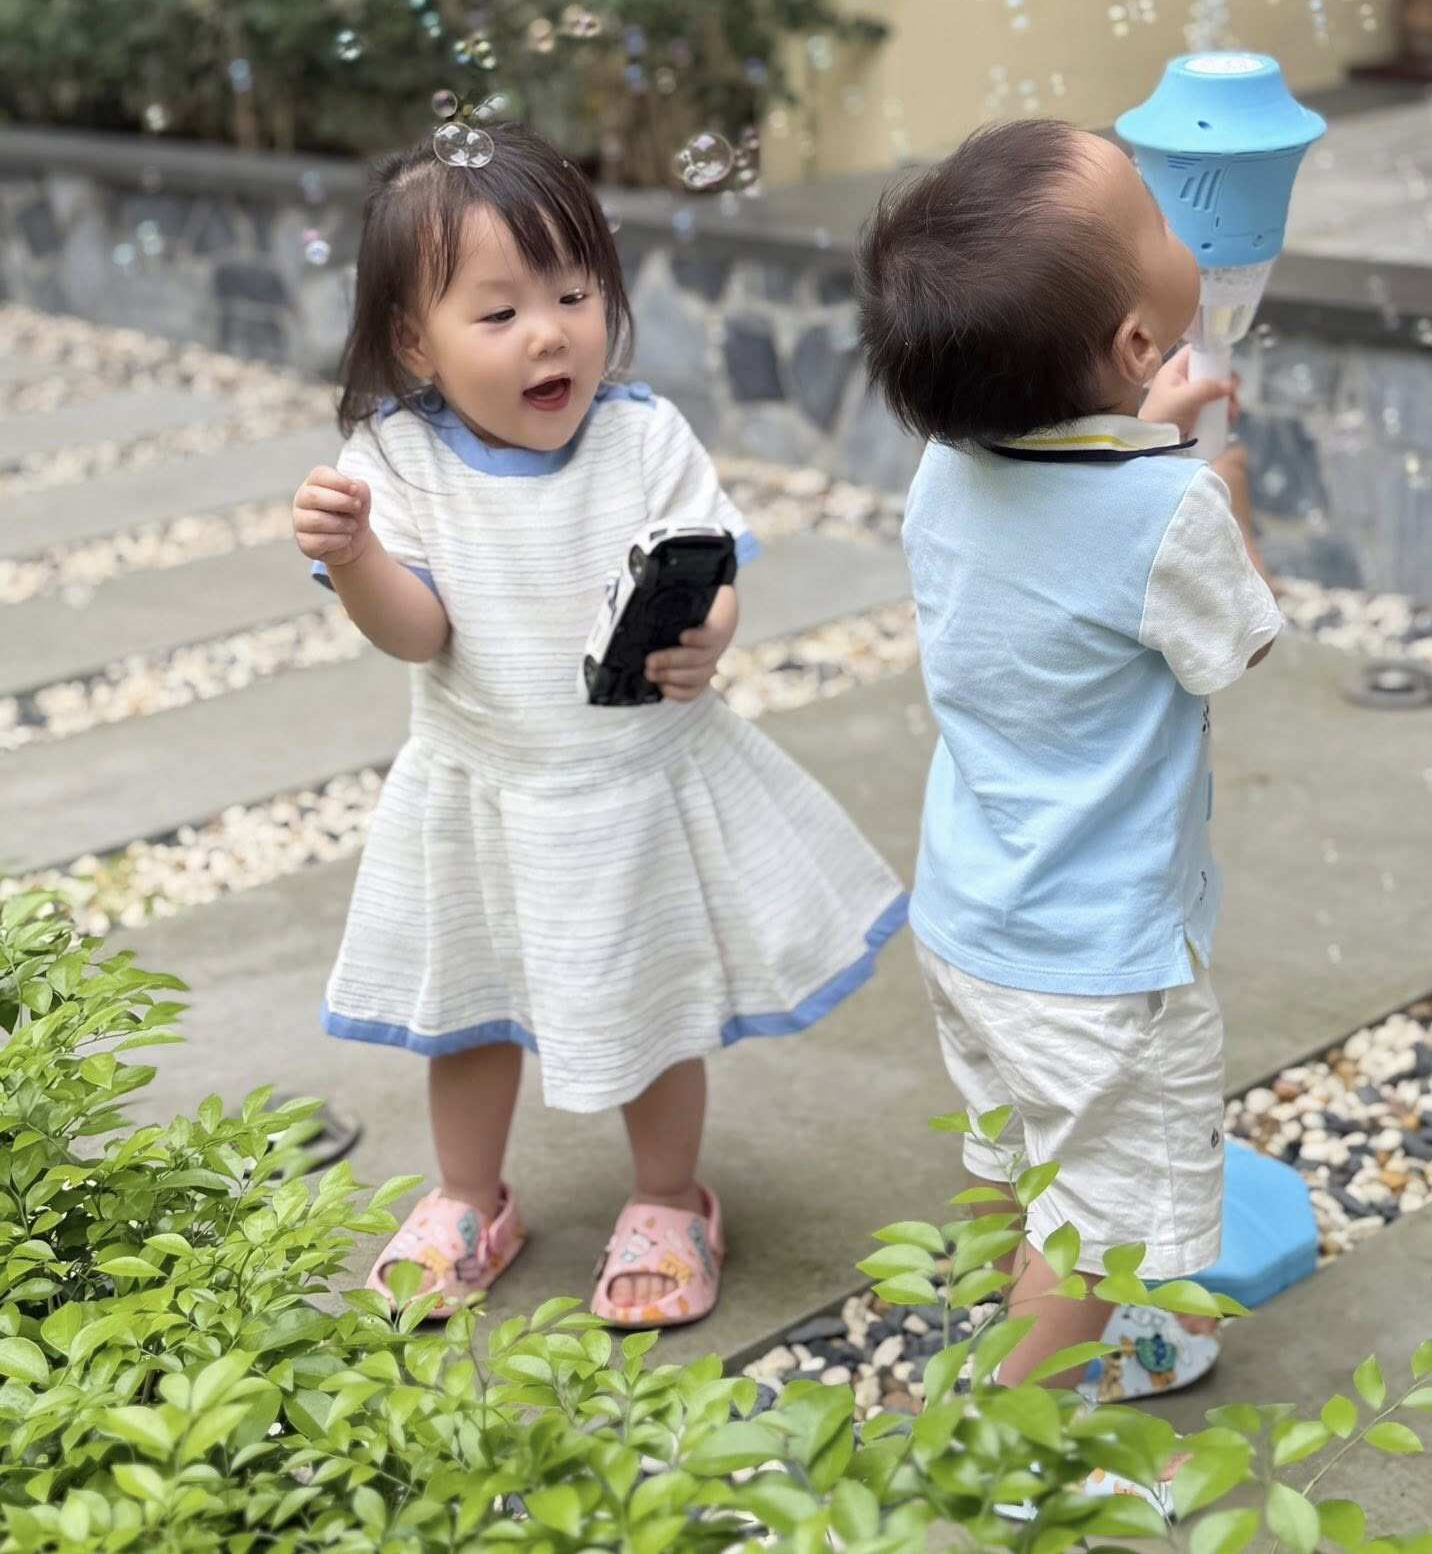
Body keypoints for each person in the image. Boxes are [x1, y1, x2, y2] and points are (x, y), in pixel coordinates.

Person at [291, 123, 905, 1328]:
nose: (549, 332)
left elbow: (708, 569)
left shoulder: (642, 436)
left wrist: (709, 632)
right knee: (467, 1010)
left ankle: (670, 1196)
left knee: (653, 1001)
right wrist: (357, 556)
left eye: (574, 294)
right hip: (485, 787)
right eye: (499, 311)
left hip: (631, 791)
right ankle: (468, 1194)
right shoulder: (395, 460)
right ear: (414, 342)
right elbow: (417, 632)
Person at [856, 120, 1282, 1495]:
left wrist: (1147, 437)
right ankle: (1007, 1449)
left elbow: (1063, 505)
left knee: (1023, 1158)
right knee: (1101, 1230)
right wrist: (1218, 492)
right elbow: (1233, 647)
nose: (1174, 218)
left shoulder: (947, 466)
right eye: (1153, 214)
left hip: (975, 915)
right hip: (1103, 961)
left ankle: (1021, 1340)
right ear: (1137, 345)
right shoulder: (1165, 514)